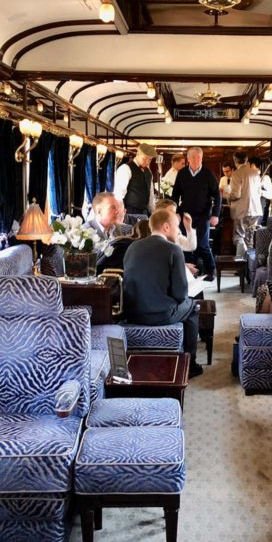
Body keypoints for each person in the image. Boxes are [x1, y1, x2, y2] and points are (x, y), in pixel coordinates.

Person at [123, 209, 203, 377]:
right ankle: (190, 363)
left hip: (132, 314)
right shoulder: (173, 249)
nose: (178, 230)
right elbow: (180, 294)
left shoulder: (132, 247)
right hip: (160, 315)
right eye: (176, 226)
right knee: (193, 307)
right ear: (166, 227)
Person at [171, 146, 221, 281]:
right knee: (187, 245)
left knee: (202, 245)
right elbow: (175, 194)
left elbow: (217, 195)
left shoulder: (207, 174)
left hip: (203, 215)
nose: (197, 159)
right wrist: (174, 212)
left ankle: (211, 270)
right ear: (188, 159)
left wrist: (215, 214)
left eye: (199, 157)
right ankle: (191, 272)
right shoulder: (182, 174)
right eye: (193, 157)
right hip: (185, 215)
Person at [228, 150, 263, 257]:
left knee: (239, 237)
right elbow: (259, 192)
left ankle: (240, 265)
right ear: (246, 160)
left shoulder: (236, 174)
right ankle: (250, 266)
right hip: (256, 210)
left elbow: (236, 195)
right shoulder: (255, 173)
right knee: (250, 238)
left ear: (235, 161)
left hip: (242, 210)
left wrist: (227, 196)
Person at [114, 143, 156, 215]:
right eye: (144, 158)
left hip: (145, 212)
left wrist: (153, 211)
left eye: (150, 160)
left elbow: (150, 194)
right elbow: (118, 194)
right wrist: (120, 214)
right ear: (138, 154)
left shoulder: (149, 172)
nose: (147, 162)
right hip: (129, 212)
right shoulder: (125, 168)